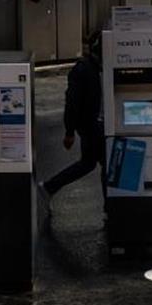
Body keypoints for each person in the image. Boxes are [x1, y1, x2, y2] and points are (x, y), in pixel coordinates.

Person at [41, 32, 104, 199]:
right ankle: (49, 187)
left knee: (89, 163)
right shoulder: (83, 70)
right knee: (97, 163)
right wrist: (69, 132)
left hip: (93, 125)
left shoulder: (94, 68)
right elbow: (72, 103)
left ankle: (49, 187)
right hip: (91, 126)